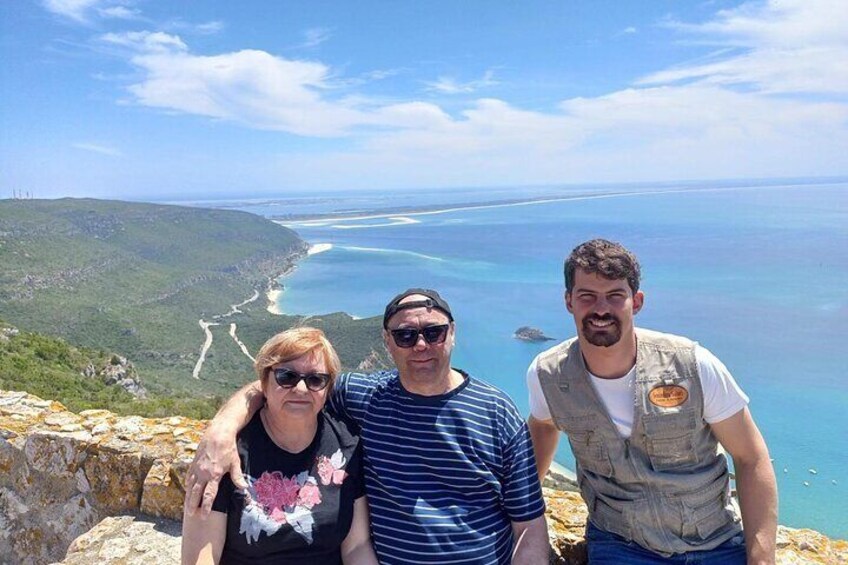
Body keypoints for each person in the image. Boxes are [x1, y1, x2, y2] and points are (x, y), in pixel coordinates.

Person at [184, 289, 549, 564]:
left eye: (433, 333)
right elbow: (277, 387)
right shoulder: (366, 395)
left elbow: (529, 526)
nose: (420, 344)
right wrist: (222, 428)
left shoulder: (496, 411)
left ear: (451, 334)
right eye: (406, 336)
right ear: (388, 341)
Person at [527, 239, 778, 564]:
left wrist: (761, 557)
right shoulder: (549, 376)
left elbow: (752, 457)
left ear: (637, 301)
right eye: (587, 296)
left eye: (615, 296)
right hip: (622, 545)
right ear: (569, 301)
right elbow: (543, 428)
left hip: (715, 545)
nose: (600, 308)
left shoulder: (692, 365)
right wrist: (522, 516)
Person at [181, 327, 378, 564]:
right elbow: (202, 555)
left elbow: (356, 546)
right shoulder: (226, 453)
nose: (301, 389)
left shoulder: (346, 447)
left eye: (316, 380)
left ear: (328, 390)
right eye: (287, 377)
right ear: (263, 383)